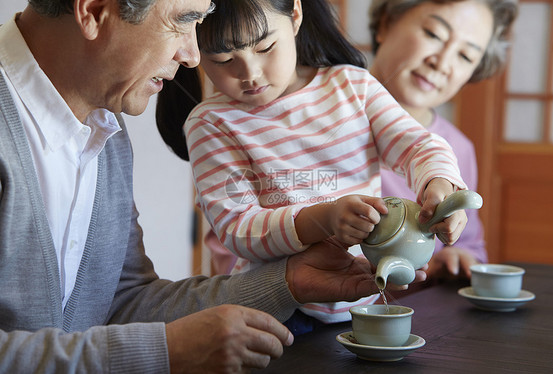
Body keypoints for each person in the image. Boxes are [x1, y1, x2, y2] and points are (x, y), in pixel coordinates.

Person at [0, 0, 428, 372]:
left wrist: (290, 283)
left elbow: (122, 303)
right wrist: (163, 351)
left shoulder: (103, 131)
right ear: (94, 12)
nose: (192, 55)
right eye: (184, 20)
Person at [157, 0, 469, 333]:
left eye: (265, 47)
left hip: (366, 298)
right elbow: (238, 227)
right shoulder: (211, 123)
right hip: (274, 311)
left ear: (294, 15)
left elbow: (417, 145)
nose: (250, 74)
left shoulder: (352, 87)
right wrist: (325, 219)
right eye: (223, 60)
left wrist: (440, 184)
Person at [369, 0, 518, 280]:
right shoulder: (320, 117)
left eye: (465, 56)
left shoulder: (457, 147)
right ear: (385, 24)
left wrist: (455, 255)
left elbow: (469, 245)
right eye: (434, 34)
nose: (442, 63)